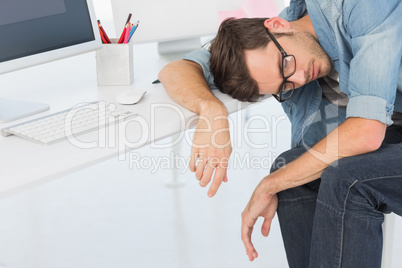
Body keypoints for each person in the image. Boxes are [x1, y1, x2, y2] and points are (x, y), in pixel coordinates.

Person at [158, 0, 402, 267]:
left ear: (277, 25)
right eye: (286, 85)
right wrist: (212, 112)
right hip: (392, 134)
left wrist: (269, 184)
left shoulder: (360, 6)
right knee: (291, 171)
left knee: (345, 179)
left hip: (378, 131)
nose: (299, 78)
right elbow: (177, 69)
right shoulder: (263, 46)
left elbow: (366, 131)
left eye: (285, 65)